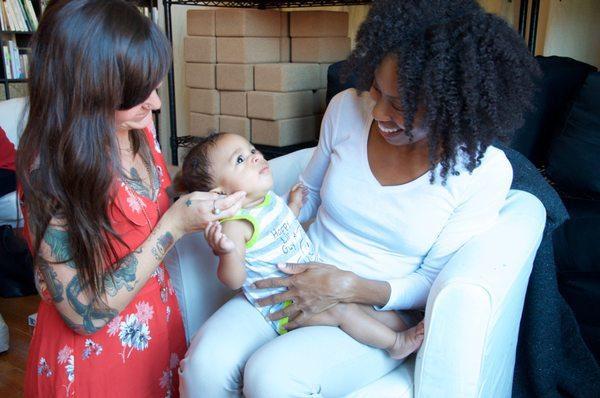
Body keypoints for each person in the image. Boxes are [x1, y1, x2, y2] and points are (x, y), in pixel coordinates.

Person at [179, 0, 540, 396]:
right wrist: (257, 225)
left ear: (448, 110)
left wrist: (348, 286)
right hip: (295, 277)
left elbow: (432, 281)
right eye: (377, 90)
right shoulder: (345, 109)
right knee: (204, 365)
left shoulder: (482, 173)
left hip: (375, 310)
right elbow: (308, 193)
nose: (380, 112)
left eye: (401, 105)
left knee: (273, 377)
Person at [16, 1, 245, 396]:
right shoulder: (47, 173)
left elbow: (154, 187)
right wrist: (174, 225)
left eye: (154, 86)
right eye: (138, 94)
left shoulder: (136, 127)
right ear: (86, 88)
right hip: (92, 363)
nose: (155, 103)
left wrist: (210, 186)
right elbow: (84, 313)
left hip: (156, 335)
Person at [175, 132, 424, 357]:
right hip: (287, 305)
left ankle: (409, 328)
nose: (255, 157)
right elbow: (234, 280)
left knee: (353, 302)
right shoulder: (236, 225)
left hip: (308, 281)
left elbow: (282, 227)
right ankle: (395, 344)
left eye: (251, 150)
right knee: (342, 312)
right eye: (239, 160)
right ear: (219, 193)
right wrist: (225, 252)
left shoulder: (266, 201)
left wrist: (293, 206)